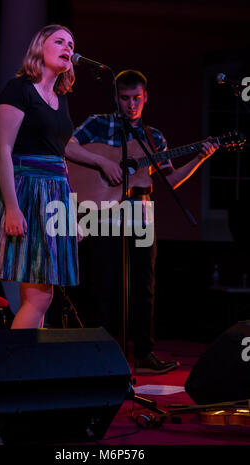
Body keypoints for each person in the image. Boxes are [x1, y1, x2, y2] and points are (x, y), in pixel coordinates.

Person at [65, 69, 218, 373]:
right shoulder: (98, 124)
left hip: (141, 212)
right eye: (124, 98)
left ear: (145, 97)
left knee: (144, 284)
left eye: (136, 98)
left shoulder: (153, 137)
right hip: (103, 212)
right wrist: (104, 162)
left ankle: (144, 354)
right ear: (116, 98)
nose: (131, 105)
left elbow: (170, 179)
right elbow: (67, 147)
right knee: (104, 283)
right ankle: (103, 353)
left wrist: (201, 156)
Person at [0, 24, 117, 330]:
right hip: (27, 191)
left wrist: (69, 212)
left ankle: (28, 370)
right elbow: (2, 150)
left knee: (41, 294)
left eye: (71, 43)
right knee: (40, 295)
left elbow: (59, 157)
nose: (68, 47)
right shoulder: (19, 90)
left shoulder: (59, 98)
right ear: (39, 46)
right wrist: (12, 208)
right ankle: (14, 368)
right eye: (59, 41)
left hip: (55, 192)